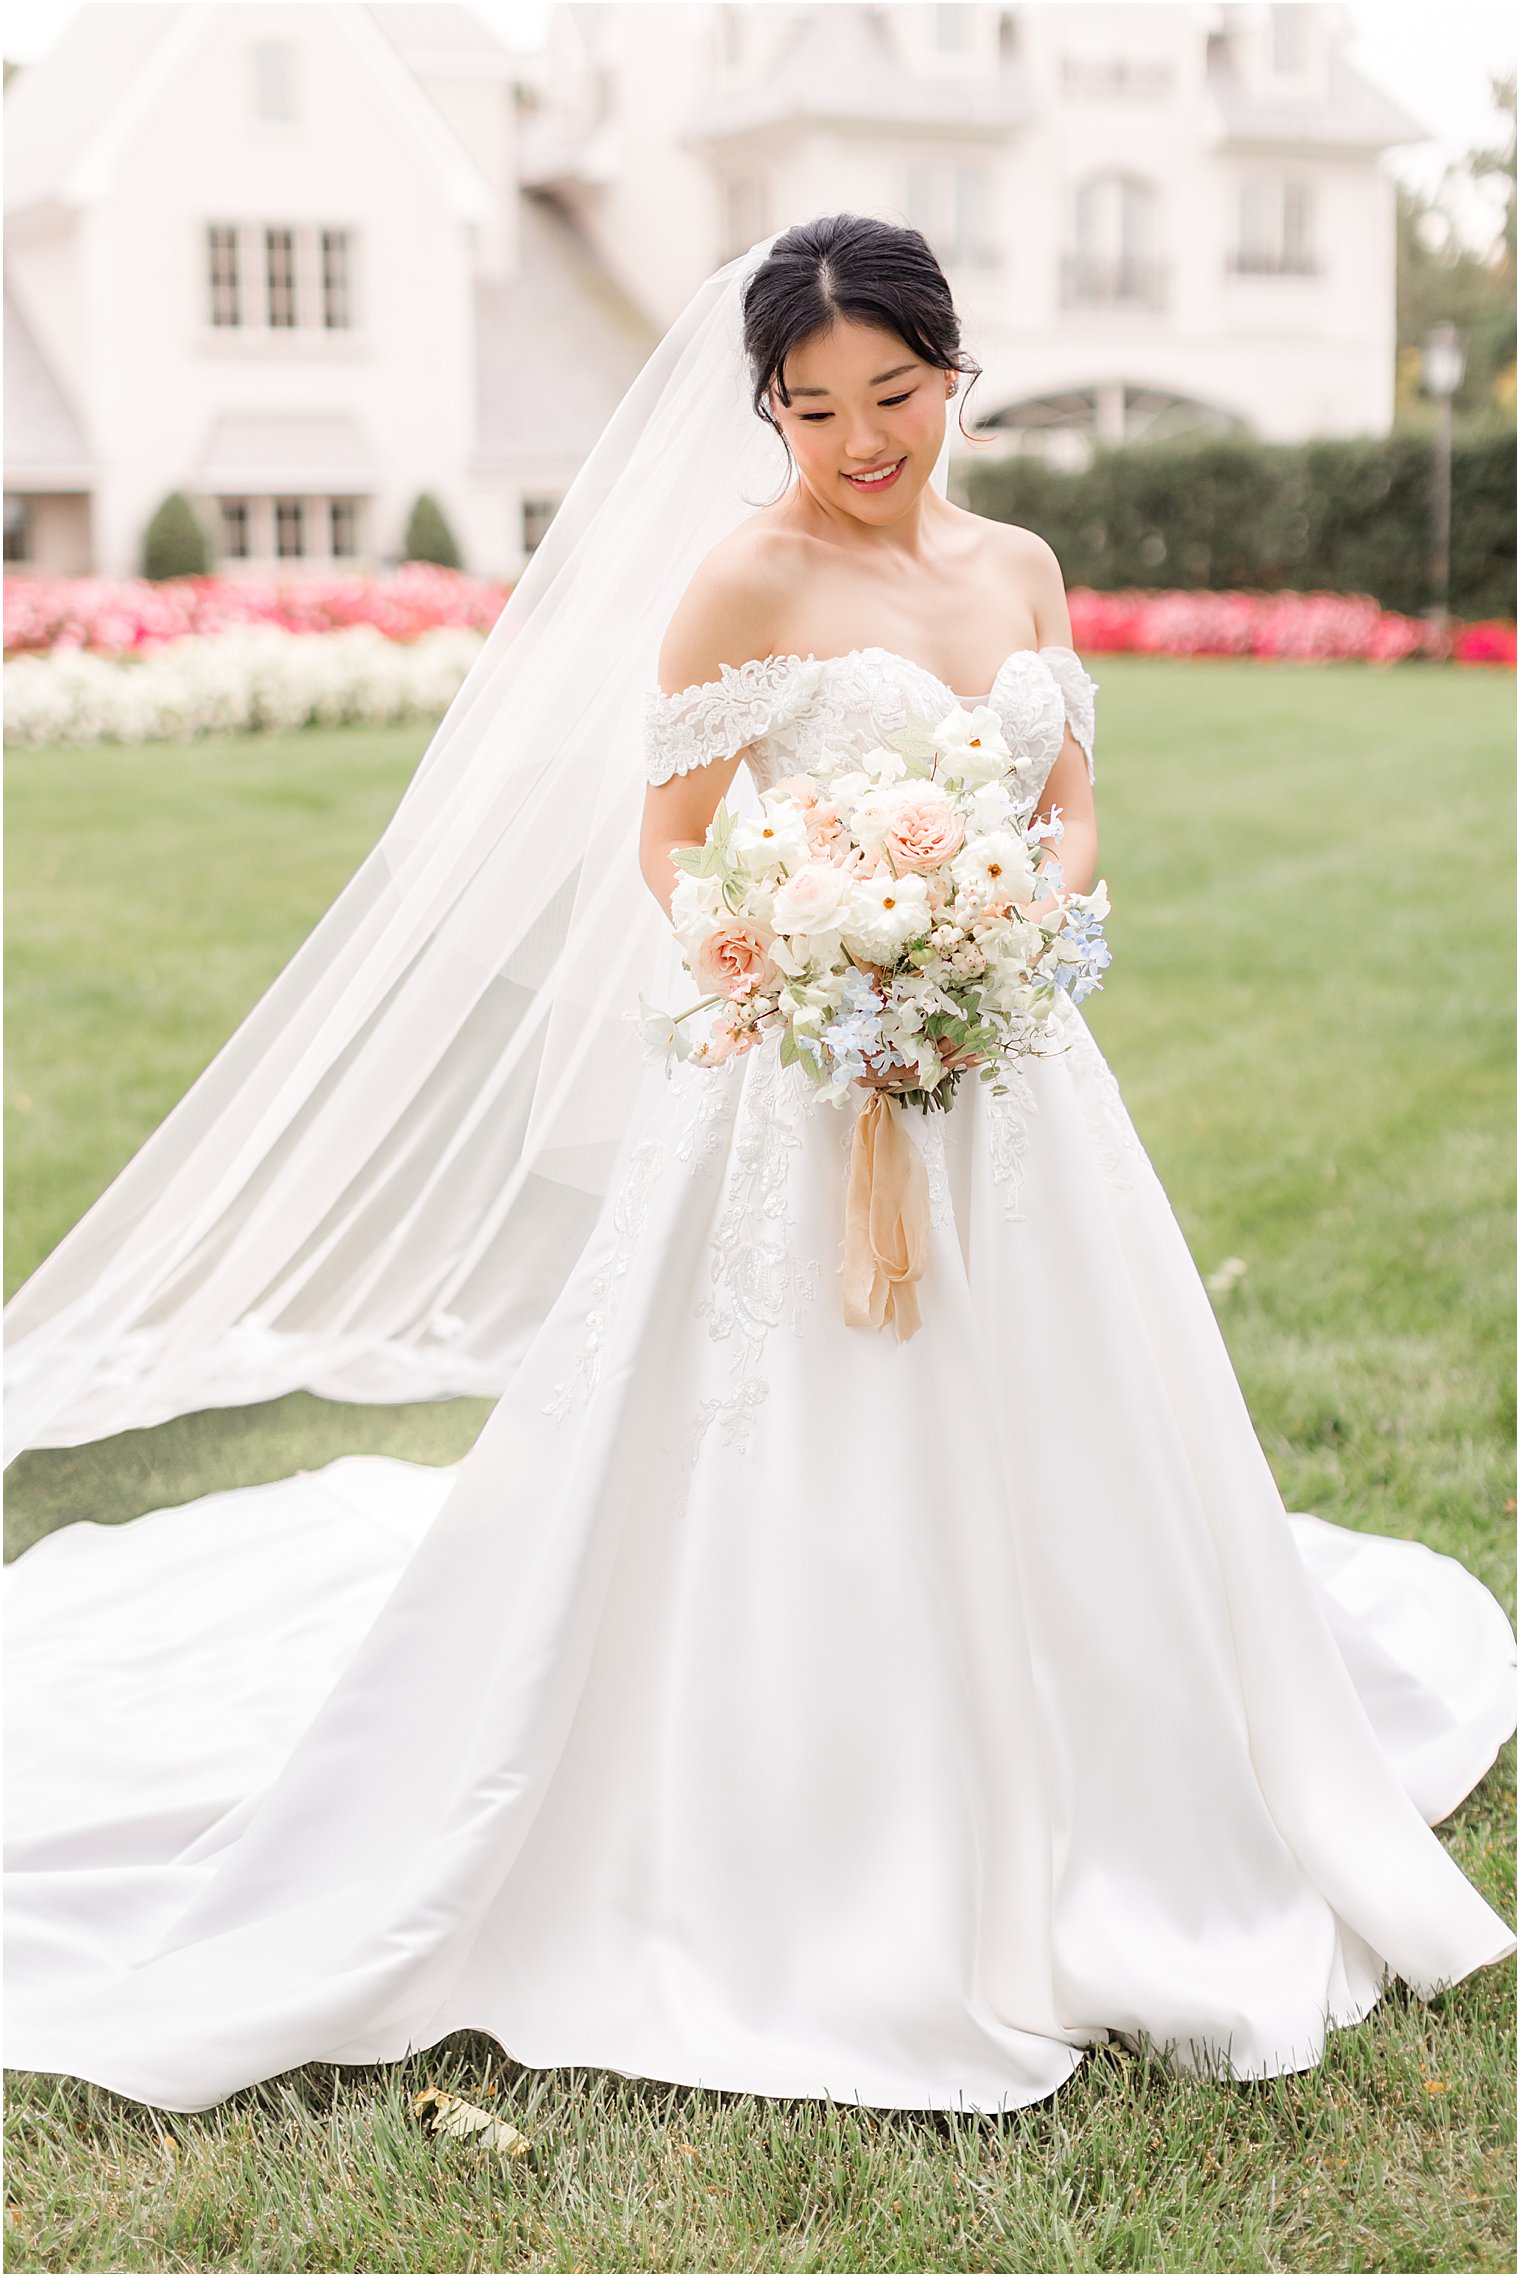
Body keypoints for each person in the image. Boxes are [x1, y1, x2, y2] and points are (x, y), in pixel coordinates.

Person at [4, 216, 1514, 2118]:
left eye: (892, 396)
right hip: (795, 1074)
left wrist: (1002, 934)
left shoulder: (1026, 568)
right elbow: (671, 844)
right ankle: (816, 1821)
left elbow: (1066, 807)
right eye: (811, 409)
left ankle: (1112, 1776)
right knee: (795, 1441)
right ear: (767, 411)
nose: (858, 441)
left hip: (1016, 1065)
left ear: (956, 376)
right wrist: (818, 953)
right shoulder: (742, 580)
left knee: (1068, 1424)